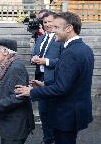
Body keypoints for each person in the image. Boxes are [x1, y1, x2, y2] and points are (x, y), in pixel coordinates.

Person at [15, 12, 95, 144]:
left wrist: (32, 92)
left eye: (56, 27)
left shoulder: (71, 52)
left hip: (67, 114)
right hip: (73, 111)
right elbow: (70, 81)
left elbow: (61, 88)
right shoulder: (83, 48)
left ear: (69, 28)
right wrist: (45, 84)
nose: (52, 30)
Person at [31, 11, 63, 144]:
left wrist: (46, 62)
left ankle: (57, 139)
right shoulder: (40, 38)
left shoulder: (61, 39)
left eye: (50, 21)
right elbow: (35, 54)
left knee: (55, 113)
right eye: (45, 22)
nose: (48, 25)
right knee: (43, 112)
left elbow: (64, 61)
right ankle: (47, 139)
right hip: (40, 78)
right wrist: (33, 59)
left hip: (54, 80)